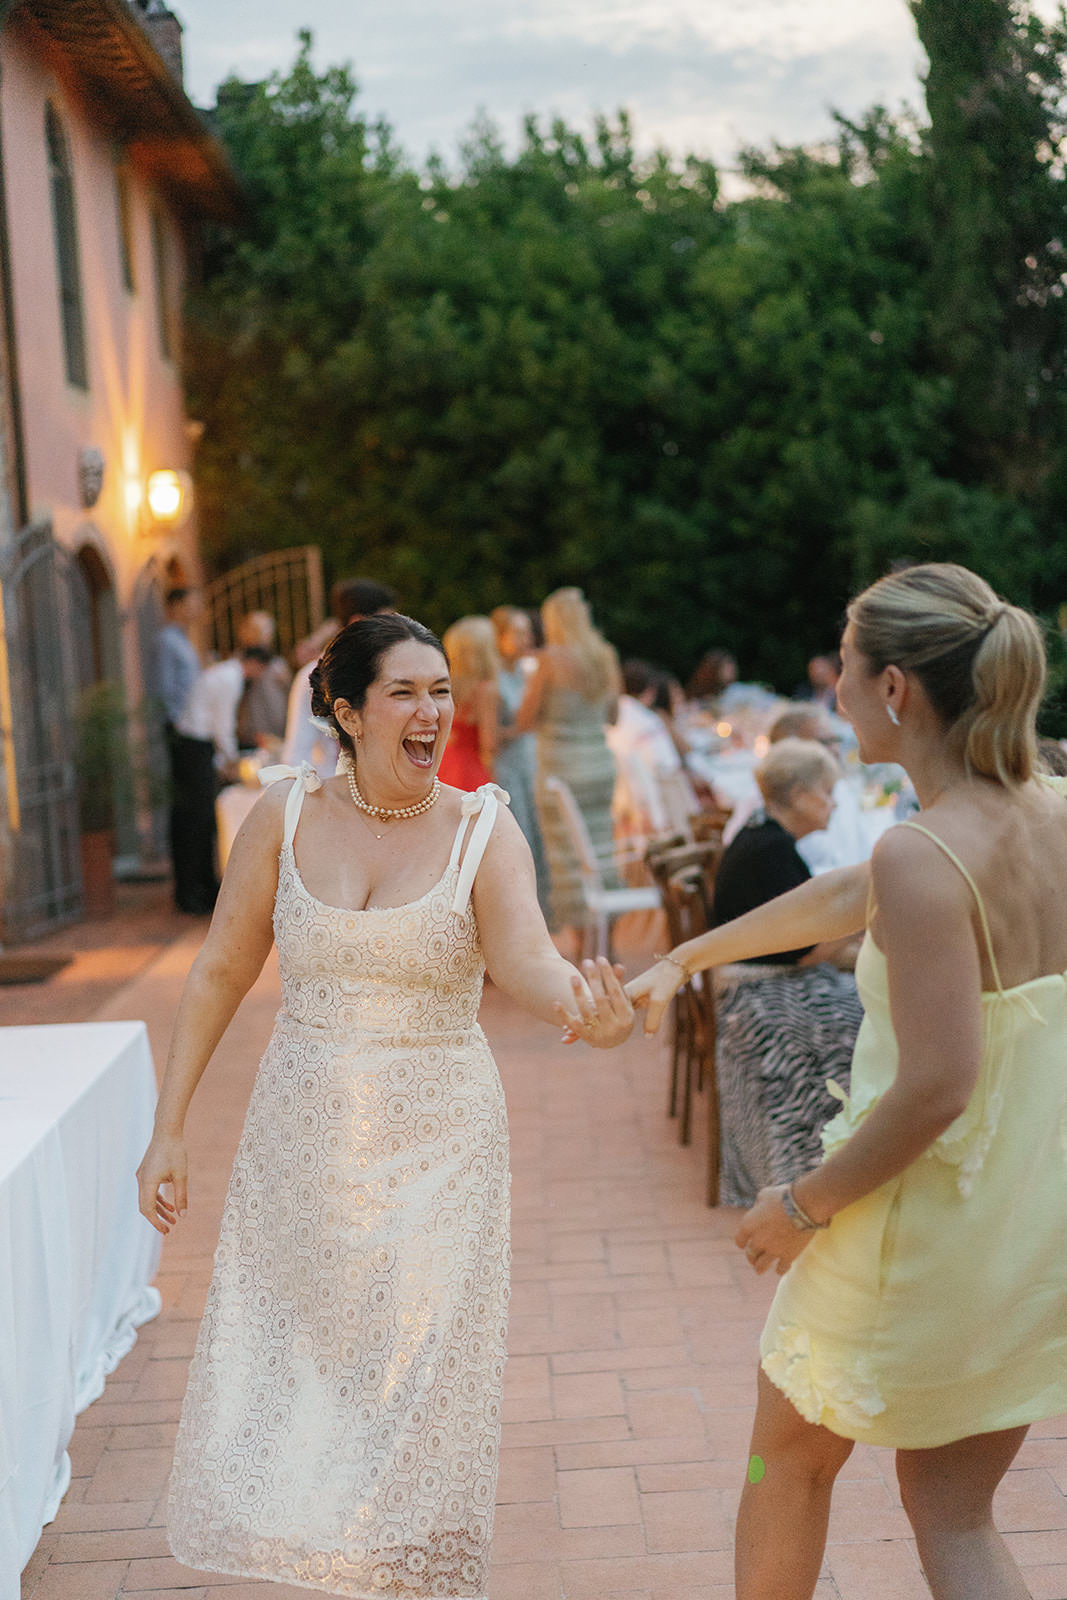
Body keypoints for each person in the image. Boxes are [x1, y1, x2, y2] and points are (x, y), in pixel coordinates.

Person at [136, 611, 634, 1598]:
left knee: (416, 1381)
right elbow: (222, 967)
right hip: (302, 1142)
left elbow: (527, 960)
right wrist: (169, 1128)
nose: (430, 712)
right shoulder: (282, 815)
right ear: (348, 712)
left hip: (440, 1145)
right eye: (404, 692)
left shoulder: (481, 827)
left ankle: (404, 1576)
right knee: (310, 1370)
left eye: (439, 691)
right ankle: (343, 1567)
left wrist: (587, 1006)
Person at [627, 562, 1067, 1600]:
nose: (833, 694)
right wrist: (684, 957)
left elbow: (936, 1085)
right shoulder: (1047, 810)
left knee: (780, 1465)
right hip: (1019, 1227)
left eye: (843, 668)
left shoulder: (925, 853)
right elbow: (849, 890)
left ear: (894, 688)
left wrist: (799, 1207)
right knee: (954, 1512)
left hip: (904, 1231)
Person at [709, 738, 863, 1205]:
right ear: (798, 796)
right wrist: (868, 917)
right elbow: (808, 951)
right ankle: (820, 1163)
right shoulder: (770, 849)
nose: (834, 803)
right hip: (755, 992)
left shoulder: (766, 835)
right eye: (827, 792)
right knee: (865, 1020)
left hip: (766, 976)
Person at [518, 587, 621, 934]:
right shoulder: (605, 655)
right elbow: (614, 716)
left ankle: (582, 946)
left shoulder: (549, 660)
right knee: (601, 849)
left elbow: (526, 720)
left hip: (561, 768)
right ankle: (609, 939)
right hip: (599, 765)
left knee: (567, 858)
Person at [169, 648, 272, 912]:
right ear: (255, 664)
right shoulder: (230, 679)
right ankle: (193, 892)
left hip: (193, 746)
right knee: (197, 822)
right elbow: (222, 725)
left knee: (199, 821)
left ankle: (203, 886)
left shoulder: (225, 673)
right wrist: (232, 760)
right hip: (195, 747)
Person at [283, 578, 397, 776]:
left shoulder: (389, 671)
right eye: (386, 622)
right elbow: (297, 754)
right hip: (332, 782)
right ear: (358, 622)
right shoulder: (313, 677)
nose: (393, 631)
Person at [490, 606, 549, 908]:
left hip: (530, 766)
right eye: (518, 632)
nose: (527, 638)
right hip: (507, 770)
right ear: (499, 637)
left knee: (539, 842)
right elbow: (488, 735)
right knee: (519, 841)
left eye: (528, 632)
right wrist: (519, 728)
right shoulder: (493, 679)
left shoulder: (524, 673)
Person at [158, 588, 207, 913]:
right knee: (188, 810)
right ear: (176, 605)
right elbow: (165, 690)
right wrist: (178, 726)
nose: (197, 609)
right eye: (192, 603)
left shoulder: (183, 639)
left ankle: (198, 886)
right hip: (182, 734)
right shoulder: (167, 641)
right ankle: (187, 891)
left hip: (191, 730)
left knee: (195, 810)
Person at [436, 615, 499, 791]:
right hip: (470, 768)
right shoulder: (485, 689)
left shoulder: (444, 683)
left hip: (443, 763)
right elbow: (489, 744)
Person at [235, 611, 292, 747]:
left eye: (267, 630)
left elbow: (289, 692)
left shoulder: (278, 664)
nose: (263, 635)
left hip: (277, 731)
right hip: (250, 734)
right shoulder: (239, 663)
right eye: (257, 630)